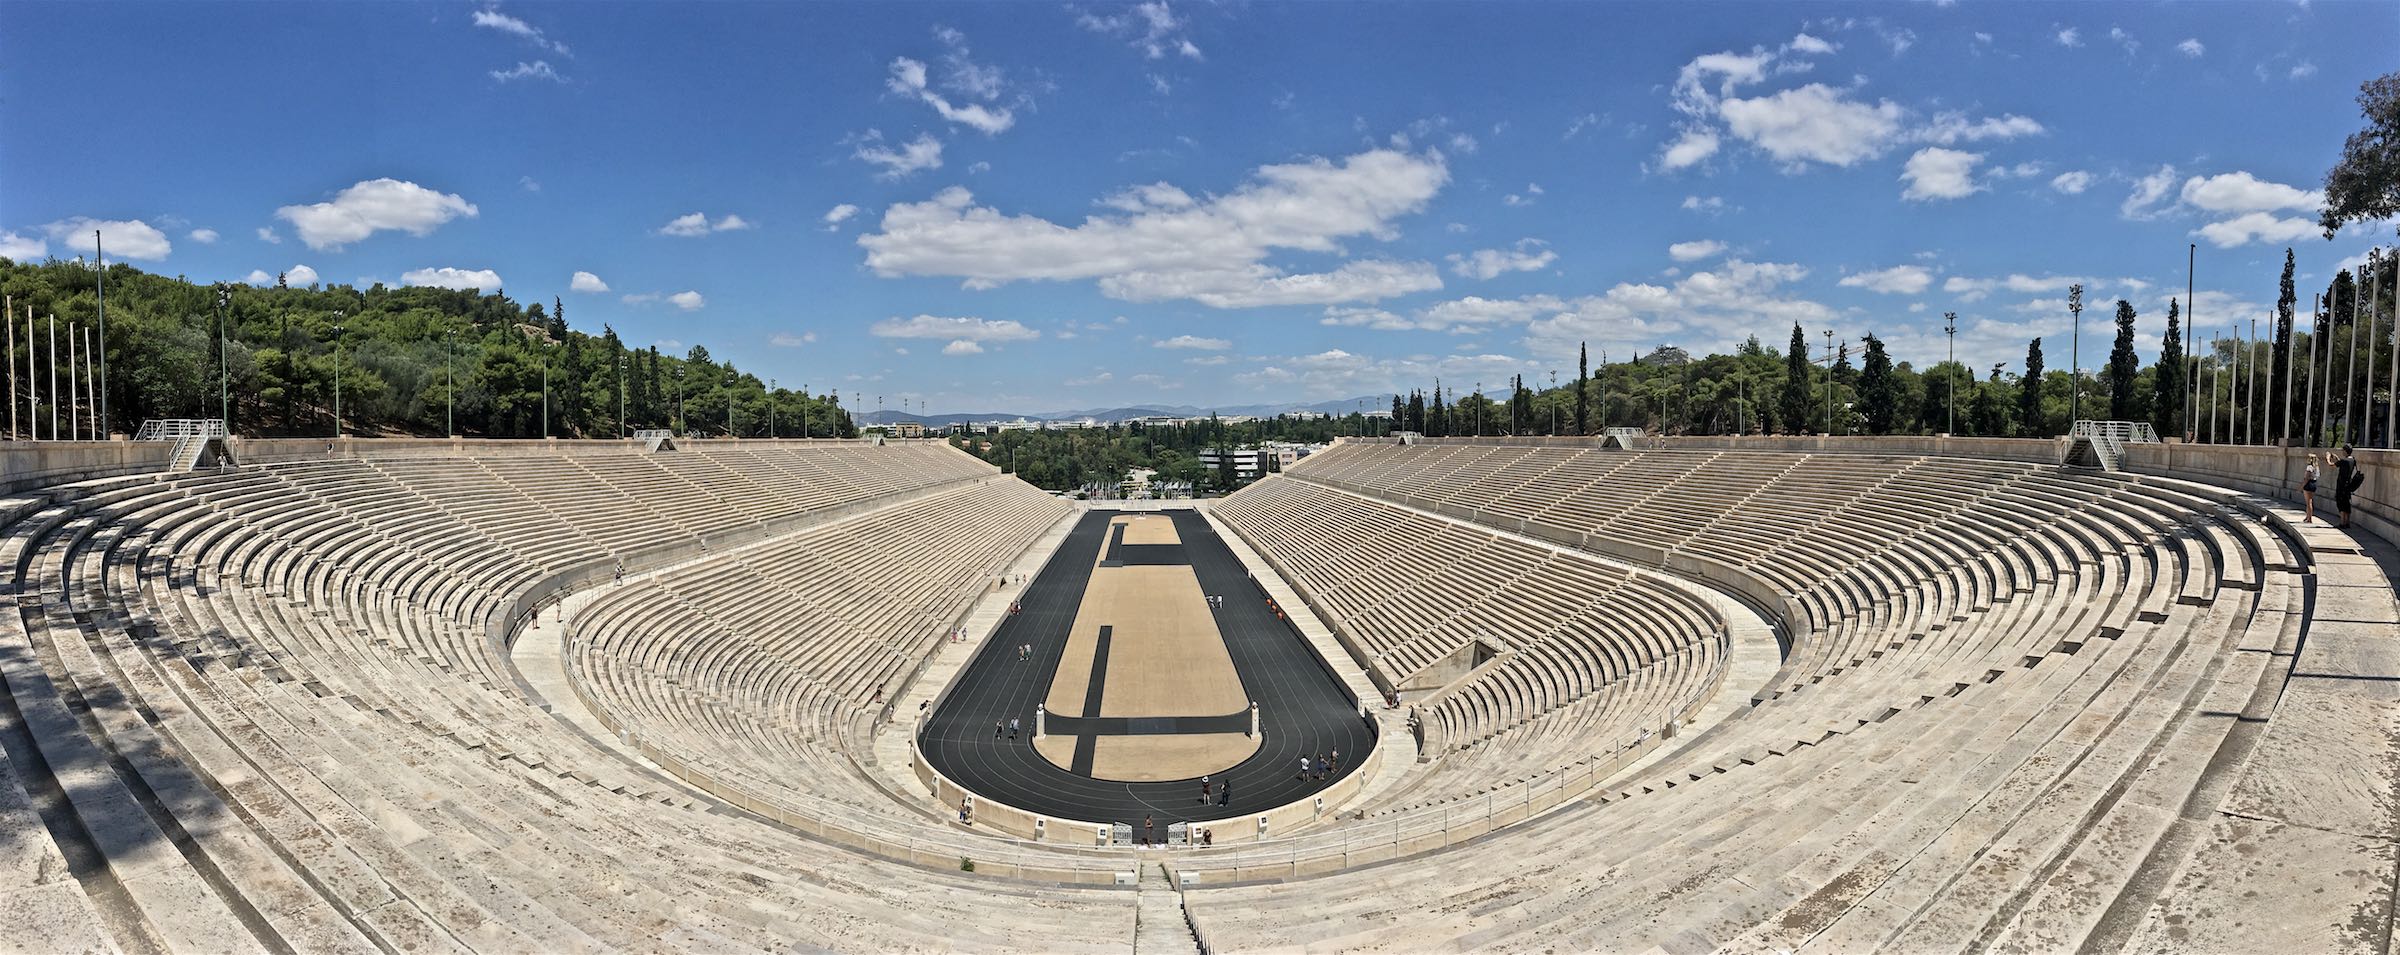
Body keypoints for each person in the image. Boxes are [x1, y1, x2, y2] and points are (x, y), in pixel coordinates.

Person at [2335, 445, 2363, 529]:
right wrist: (2337, 458)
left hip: (2341, 485)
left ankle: (2342, 522)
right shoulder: (2352, 460)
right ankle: (2347, 522)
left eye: (2343, 451)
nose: (2342, 452)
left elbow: (2331, 465)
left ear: (2346, 451)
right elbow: (2342, 463)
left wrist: (2328, 458)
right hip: (2348, 485)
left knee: (2341, 503)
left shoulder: (2344, 461)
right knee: (2347, 503)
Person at [2301, 456, 2321, 523]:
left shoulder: (2309, 467)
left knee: (2308, 502)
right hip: (2314, 483)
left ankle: (2309, 518)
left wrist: (2301, 486)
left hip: (2308, 484)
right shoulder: (2317, 468)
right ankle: (2308, 516)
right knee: (2310, 501)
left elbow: (2307, 478)